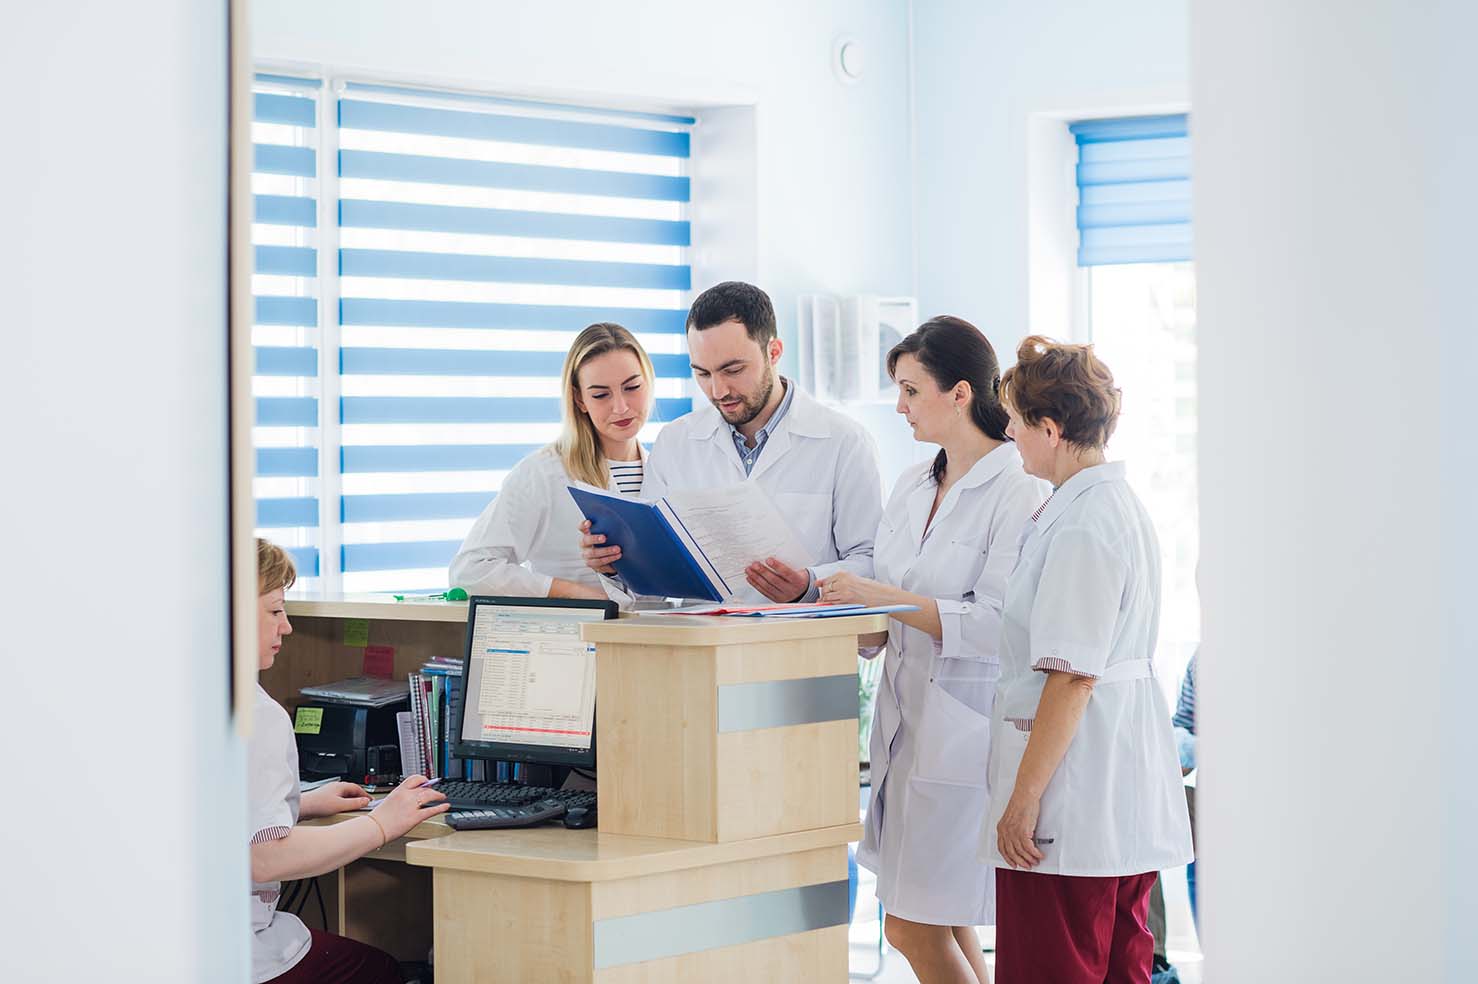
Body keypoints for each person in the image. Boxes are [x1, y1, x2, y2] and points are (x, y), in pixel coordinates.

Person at [818, 317, 1048, 984]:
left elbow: (999, 625)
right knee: (942, 919)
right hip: (904, 726)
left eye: (911, 390)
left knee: (910, 924)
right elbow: (889, 612)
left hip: (966, 733)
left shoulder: (1018, 488)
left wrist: (879, 596)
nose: (899, 407)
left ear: (960, 393)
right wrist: (841, 608)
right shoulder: (913, 483)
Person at [983, 337, 1193, 984]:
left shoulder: (1082, 524)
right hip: (1115, 790)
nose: (1009, 431)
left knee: (1052, 968)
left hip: (1073, 797)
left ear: (1051, 429)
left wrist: (1023, 801)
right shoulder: (1109, 507)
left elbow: (1072, 677)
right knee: (1120, 965)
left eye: (1016, 419)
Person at [581, 281, 882, 603]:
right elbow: (654, 575)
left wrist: (808, 583)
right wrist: (616, 565)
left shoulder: (844, 441)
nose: (718, 390)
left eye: (733, 370)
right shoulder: (676, 442)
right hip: (706, 646)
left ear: (773, 351)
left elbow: (870, 560)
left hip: (802, 642)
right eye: (703, 374)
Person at [251, 538, 450, 984]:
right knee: (378, 971)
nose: (286, 628)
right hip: (235, 955)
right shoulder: (255, 714)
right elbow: (263, 859)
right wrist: (382, 824)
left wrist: (299, 803)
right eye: (274, 611)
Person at [450, 322, 656, 599]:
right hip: (574, 636)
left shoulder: (664, 469)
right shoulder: (543, 473)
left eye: (632, 387)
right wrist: (575, 593)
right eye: (600, 394)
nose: (620, 407)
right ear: (579, 399)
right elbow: (470, 571)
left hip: (658, 637)